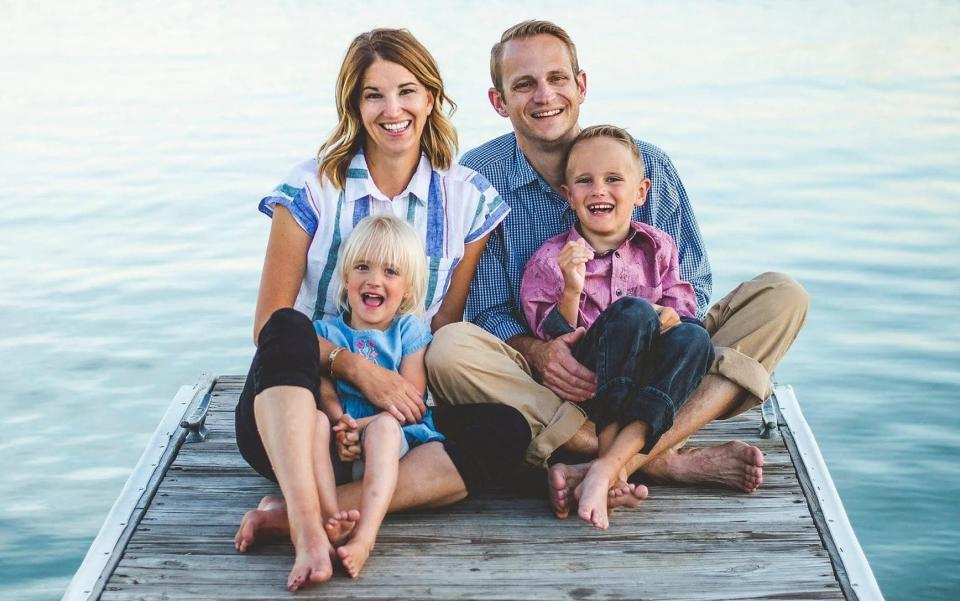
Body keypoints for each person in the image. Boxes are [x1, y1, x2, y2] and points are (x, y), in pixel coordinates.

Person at [426, 20, 809, 521]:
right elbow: (484, 309)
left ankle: (608, 462)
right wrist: (540, 353)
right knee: (449, 349)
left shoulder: (648, 165)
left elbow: (691, 282)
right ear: (499, 100)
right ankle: (658, 459)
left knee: (782, 297)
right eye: (524, 84)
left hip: (658, 361)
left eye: (558, 78)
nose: (545, 96)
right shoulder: (477, 179)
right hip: (558, 380)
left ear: (580, 86)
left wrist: (667, 321)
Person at [231, 28, 510, 590]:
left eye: (407, 91)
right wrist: (356, 371)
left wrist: (400, 398)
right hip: (305, 415)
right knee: (286, 327)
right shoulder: (311, 188)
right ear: (354, 107)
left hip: (394, 431)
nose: (392, 110)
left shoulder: (469, 196)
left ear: (431, 98)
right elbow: (267, 324)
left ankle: (295, 513)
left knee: (504, 433)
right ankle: (310, 531)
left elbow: (443, 324)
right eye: (373, 95)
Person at [520, 125, 714, 529]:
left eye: (613, 179)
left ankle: (604, 469)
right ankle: (616, 464)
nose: (599, 190)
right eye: (585, 181)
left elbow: (683, 305)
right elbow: (551, 339)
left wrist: (669, 317)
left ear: (641, 192)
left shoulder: (659, 247)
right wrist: (571, 289)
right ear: (568, 195)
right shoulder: (552, 258)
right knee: (632, 312)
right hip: (589, 387)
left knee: (695, 336)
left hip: (648, 384)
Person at [312, 214, 443, 576]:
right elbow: (325, 391)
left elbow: (412, 401)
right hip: (341, 441)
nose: (374, 280)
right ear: (345, 277)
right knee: (314, 421)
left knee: (385, 427)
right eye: (363, 267)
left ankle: (365, 535)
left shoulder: (409, 331)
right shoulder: (325, 332)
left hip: (388, 439)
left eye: (390, 271)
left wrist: (362, 426)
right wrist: (340, 423)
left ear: (409, 288)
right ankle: (326, 514)